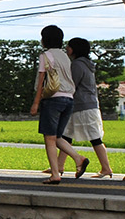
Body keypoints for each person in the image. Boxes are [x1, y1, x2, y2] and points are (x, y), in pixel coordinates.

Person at [29, 25, 85, 185]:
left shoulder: (45, 55)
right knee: (57, 137)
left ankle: (55, 174)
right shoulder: (64, 56)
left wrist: (35, 103)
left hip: (53, 99)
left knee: (49, 138)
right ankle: (78, 158)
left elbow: (41, 81)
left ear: (45, 39)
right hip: (69, 99)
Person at [56, 38, 114, 179]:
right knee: (66, 136)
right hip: (83, 105)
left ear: (75, 49)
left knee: (95, 139)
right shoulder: (86, 64)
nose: (67, 49)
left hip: (83, 106)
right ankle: (58, 166)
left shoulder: (77, 65)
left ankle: (106, 168)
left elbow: (72, 84)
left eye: (69, 47)